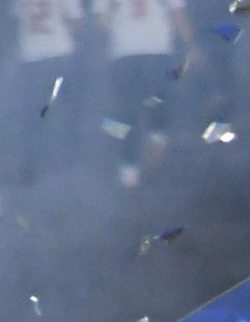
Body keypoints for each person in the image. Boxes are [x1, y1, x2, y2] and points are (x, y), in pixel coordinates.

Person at [104, 0, 194, 189]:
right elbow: (101, 16)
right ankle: (130, 165)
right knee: (130, 111)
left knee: (151, 105)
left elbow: (177, 10)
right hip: (131, 53)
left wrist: (190, 45)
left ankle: (152, 145)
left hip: (151, 51)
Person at [11, 0, 88, 184]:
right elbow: (77, 22)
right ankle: (69, 157)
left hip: (32, 58)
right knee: (69, 109)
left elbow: (15, 19)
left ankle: (30, 164)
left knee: (35, 114)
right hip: (60, 56)